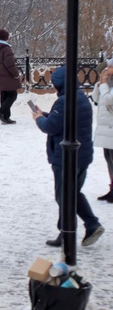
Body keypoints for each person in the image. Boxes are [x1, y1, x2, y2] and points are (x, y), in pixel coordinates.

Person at [32, 65, 104, 248]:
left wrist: (39, 119)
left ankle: (73, 230)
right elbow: (64, 121)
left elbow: (51, 127)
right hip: (83, 154)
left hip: (67, 156)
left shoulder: (65, 101)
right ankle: (86, 226)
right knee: (72, 193)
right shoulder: (80, 98)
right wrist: (46, 115)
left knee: (65, 195)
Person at [0, 29, 23, 124]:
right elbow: (9, 64)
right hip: (7, 76)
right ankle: (0, 112)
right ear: (6, 37)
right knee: (13, 95)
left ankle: (5, 117)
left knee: (4, 95)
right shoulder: (6, 48)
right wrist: (16, 74)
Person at [94, 62, 113, 203]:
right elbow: (96, 98)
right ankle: (112, 188)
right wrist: (100, 82)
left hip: (110, 126)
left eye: (110, 67)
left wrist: (104, 83)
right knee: (108, 157)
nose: (107, 69)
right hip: (106, 126)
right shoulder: (108, 83)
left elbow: (108, 100)